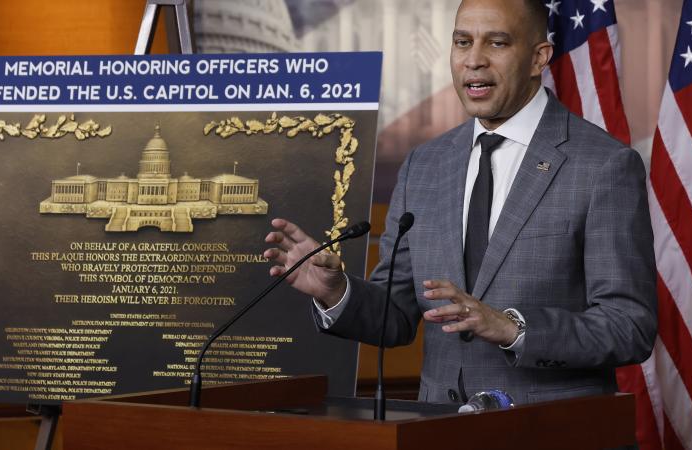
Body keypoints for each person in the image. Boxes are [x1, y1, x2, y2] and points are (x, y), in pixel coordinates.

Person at [263, 0, 657, 406]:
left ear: (539, 58)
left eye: (497, 43)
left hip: (547, 426)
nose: (474, 60)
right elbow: (395, 314)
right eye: (463, 42)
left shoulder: (603, 165)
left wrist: (513, 329)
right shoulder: (424, 165)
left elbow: (629, 327)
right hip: (438, 427)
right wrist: (336, 292)